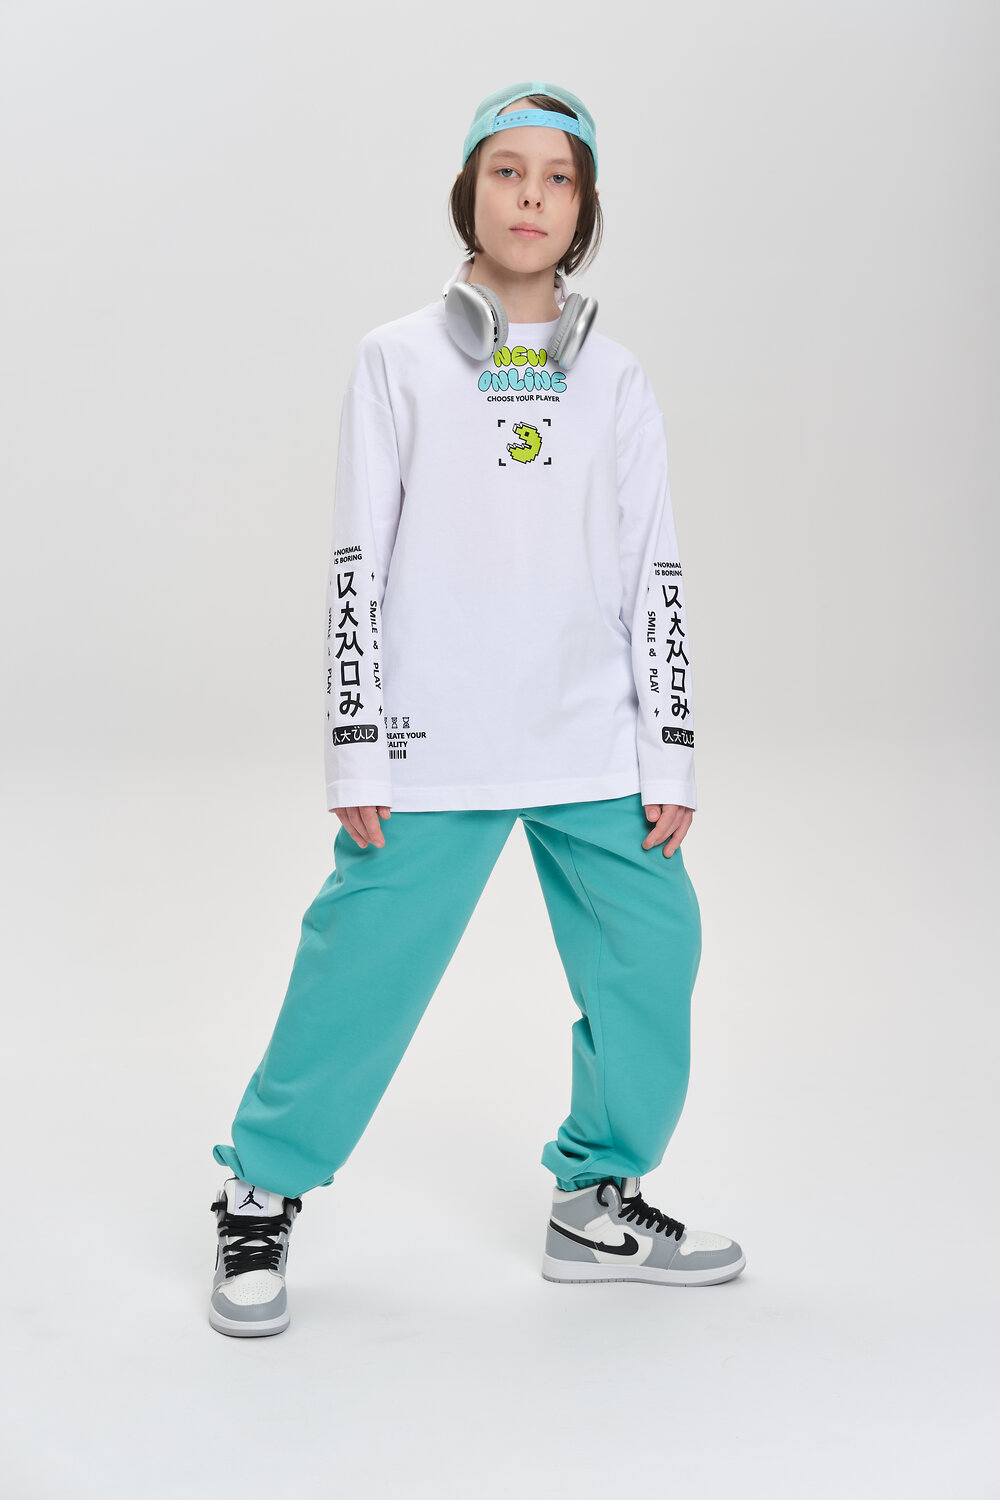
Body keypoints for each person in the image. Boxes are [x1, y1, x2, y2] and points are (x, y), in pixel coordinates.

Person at [207, 80, 745, 1339]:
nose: (531, 198)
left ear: (584, 208)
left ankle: (594, 1200)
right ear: (469, 191)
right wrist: (356, 749)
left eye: (558, 178)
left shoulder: (616, 378)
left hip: (591, 737)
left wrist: (668, 749)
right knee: (357, 973)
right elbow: (356, 561)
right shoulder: (395, 358)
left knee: (654, 955)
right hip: (431, 743)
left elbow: (653, 567)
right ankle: (259, 1189)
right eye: (509, 171)